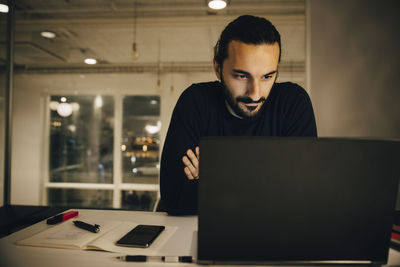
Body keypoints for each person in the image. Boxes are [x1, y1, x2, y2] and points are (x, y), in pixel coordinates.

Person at [159, 15, 317, 215]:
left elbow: (303, 198)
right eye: (242, 76)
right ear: (218, 68)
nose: (255, 93)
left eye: (267, 76)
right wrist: (269, 181)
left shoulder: (293, 103)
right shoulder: (195, 101)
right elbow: (174, 199)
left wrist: (211, 180)